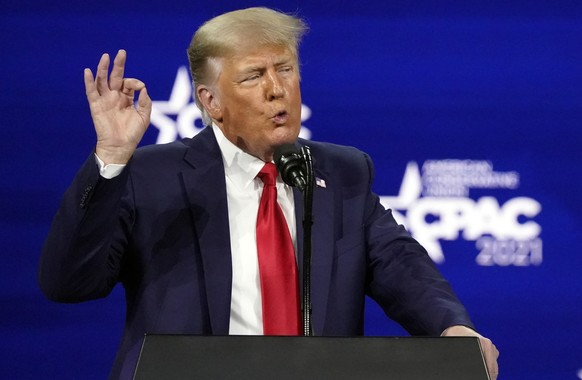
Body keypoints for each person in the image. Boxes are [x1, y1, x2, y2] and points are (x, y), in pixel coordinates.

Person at [39, 7, 499, 380]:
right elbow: (68, 283)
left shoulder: (342, 172)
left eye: (286, 69)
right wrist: (112, 159)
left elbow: (400, 264)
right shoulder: (150, 175)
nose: (277, 90)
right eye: (253, 76)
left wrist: (450, 326)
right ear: (210, 101)